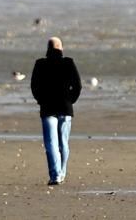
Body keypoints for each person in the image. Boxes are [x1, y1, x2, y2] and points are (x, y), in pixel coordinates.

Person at [30, 36, 82, 185]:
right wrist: (71, 100)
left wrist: (40, 99)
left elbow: (34, 86)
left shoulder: (40, 64)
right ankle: (62, 172)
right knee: (63, 143)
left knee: (51, 143)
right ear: (61, 48)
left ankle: (55, 175)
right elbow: (77, 86)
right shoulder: (68, 63)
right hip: (65, 107)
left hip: (47, 108)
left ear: (47, 49)